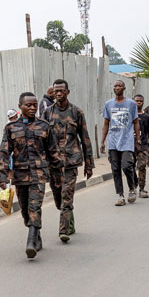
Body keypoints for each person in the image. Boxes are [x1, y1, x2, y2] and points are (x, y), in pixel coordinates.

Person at [0, 92, 63, 259]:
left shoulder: (44, 126)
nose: (33, 108)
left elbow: (53, 152)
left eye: (34, 105)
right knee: (25, 210)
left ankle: (31, 242)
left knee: (35, 206)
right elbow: (4, 152)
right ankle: (36, 235)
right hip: (20, 175)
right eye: (29, 105)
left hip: (39, 174)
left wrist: (57, 176)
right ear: (20, 107)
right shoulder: (11, 128)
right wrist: (2, 177)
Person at [41, 79, 94, 243]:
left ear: (67, 92)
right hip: (53, 164)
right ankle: (69, 221)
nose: (58, 94)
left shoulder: (76, 112)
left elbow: (85, 138)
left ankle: (63, 231)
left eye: (61, 91)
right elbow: (41, 140)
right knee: (58, 199)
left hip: (71, 162)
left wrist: (89, 163)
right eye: (56, 91)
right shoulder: (47, 113)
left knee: (67, 197)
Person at [101, 80, 140, 206]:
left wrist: (138, 139)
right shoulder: (108, 104)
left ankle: (132, 189)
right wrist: (102, 141)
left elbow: (136, 122)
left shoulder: (131, 104)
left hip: (127, 140)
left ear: (124, 88)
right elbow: (106, 123)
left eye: (119, 86)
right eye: (115, 86)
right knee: (115, 169)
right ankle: (120, 195)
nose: (117, 87)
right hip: (113, 142)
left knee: (127, 166)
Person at [133, 94, 149, 198]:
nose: (139, 103)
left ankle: (141, 189)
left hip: (143, 145)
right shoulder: (128, 115)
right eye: (137, 101)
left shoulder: (146, 117)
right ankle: (133, 185)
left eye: (141, 101)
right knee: (129, 167)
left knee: (141, 166)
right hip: (129, 145)